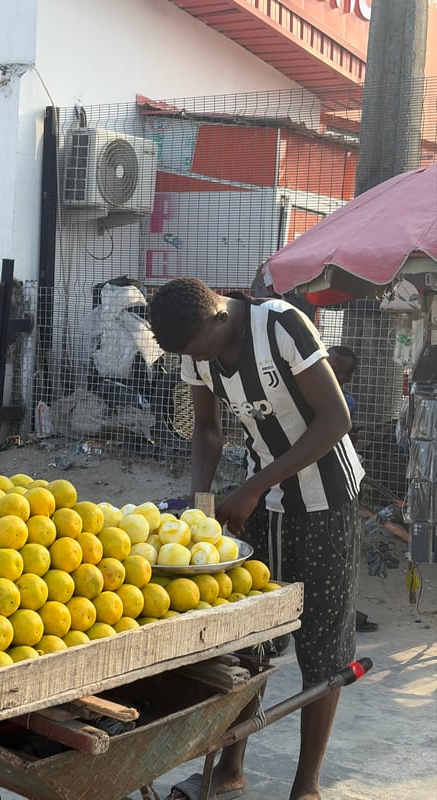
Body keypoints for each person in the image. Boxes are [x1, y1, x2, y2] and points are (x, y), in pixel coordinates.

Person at [148, 277, 364, 800]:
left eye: (199, 349)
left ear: (220, 317)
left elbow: (336, 419)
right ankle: (230, 766)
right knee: (248, 637)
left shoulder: (282, 326)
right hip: (260, 503)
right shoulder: (194, 350)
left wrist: (250, 488)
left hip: (325, 502)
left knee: (322, 645)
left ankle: (306, 784)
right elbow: (206, 430)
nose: (197, 360)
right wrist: (201, 503)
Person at [326, 345, 379, 634]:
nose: (333, 373)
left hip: (337, 485)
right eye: (329, 365)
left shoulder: (346, 400)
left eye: (340, 371)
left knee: (341, 553)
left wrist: (348, 435)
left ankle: (342, 612)